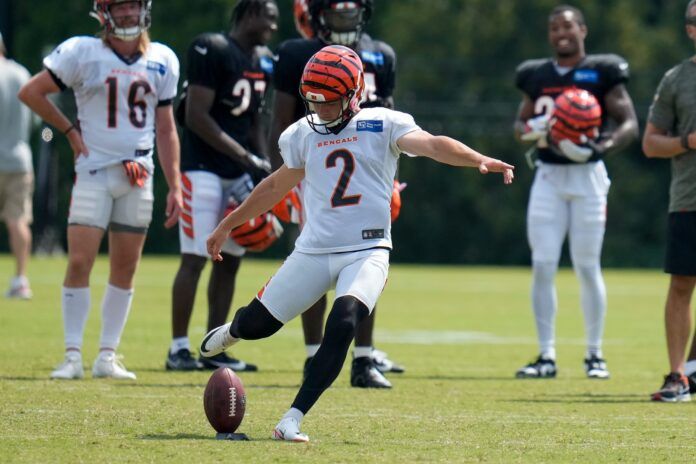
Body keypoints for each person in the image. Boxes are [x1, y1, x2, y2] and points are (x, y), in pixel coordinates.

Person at [201, 45, 514, 442]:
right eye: (313, 101)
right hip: (313, 251)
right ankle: (234, 330)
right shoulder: (300, 134)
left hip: (367, 251)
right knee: (258, 326)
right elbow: (276, 185)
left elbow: (434, 145)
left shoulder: (383, 124)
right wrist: (227, 224)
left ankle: (292, 418)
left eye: (329, 102)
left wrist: (478, 159)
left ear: (354, 94)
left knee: (344, 320)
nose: (320, 109)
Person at [18, 0, 182, 380]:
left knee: (126, 267)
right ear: (104, 15)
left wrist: (175, 184)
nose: (128, 15)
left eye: (133, 8)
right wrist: (70, 131)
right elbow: (31, 92)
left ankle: (107, 355)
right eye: (120, 9)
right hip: (94, 170)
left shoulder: (162, 58)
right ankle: (72, 354)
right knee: (80, 261)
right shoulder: (82, 52)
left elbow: (167, 128)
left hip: (138, 175)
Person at [269, 0, 402, 389]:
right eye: (336, 12)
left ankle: (364, 359)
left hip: (368, 170)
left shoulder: (380, 54)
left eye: (350, 11)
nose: (345, 20)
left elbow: (391, 121)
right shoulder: (297, 53)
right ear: (315, 15)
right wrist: (278, 178)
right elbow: (280, 120)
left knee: (369, 260)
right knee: (312, 258)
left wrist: (392, 179)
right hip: (315, 169)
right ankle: (314, 357)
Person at [513, 5, 638, 379]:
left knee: (587, 266)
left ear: (583, 30)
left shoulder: (602, 71)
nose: (560, 32)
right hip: (549, 175)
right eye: (554, 27)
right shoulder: (536, 74)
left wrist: (601, 147)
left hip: (587, 177)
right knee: (542, 264)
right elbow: (520, 125)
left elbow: (629, 123)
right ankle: (546, 354)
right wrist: (534, 130)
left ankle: (594, 354)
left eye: (567, 25)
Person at [166, 0, 278, 372]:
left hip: (238, 173)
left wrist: (264, 167)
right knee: (196, 258)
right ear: (249, 13)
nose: (272, 27)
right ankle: (178, 348)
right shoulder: (210, 47)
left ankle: (212, 347)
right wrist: (246, 158)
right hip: (203, 170)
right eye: (269, 18)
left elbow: (254, 122)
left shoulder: (263, 59)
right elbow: (195, 116)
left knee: (230, 262)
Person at [642, 0, 696, 403]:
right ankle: (678, 374)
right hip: (689, 197)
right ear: (690, 29)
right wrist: (687, 142)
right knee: (682, 284)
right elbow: (650, 143)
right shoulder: (676, 79)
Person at [0, 32, 33, 299]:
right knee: (18, 220)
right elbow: (35, 122)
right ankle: (21, 279)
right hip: (21, 159)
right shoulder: (22, 74)